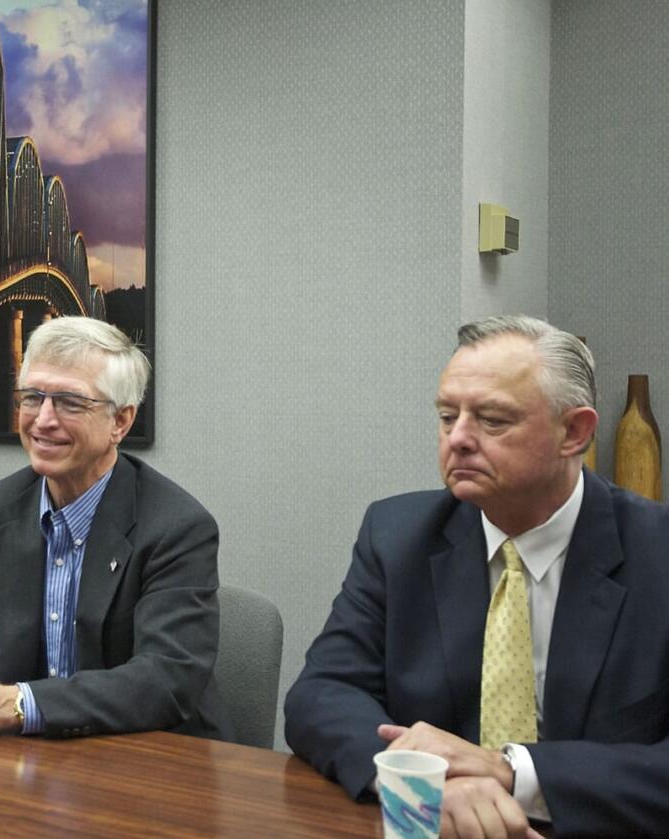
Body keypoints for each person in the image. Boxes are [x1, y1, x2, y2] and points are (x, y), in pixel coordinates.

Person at [285, 314, 669, 837]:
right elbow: (321, 695)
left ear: (574, 432)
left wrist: (513, 772)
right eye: (447, 417)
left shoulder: (656, 554)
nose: (459, 439)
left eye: (492, 420)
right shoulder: (397, 535)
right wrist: (428, 779)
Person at [0, 316, 232, 740]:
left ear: (120, 422)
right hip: (37, 764)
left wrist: (12, 704)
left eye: (70, 402)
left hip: (154, 765)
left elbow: (165, 679)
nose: (42, 420)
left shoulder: (177, 527)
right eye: (32, 397)